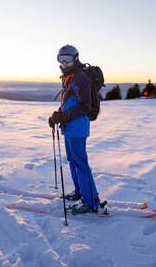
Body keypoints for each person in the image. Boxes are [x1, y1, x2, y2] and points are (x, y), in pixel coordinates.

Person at [48, 44, 100, 214]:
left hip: (78, 126)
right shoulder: (68, 77)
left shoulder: (80, 77)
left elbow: (85, 106)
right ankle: (80, 192)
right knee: (72, 159)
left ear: (75, 58)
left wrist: (63, 117)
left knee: (80, 162)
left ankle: (90, 201)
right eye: (60, 59)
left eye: (68, 59)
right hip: (69, 125)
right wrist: (57, 116)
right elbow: (70, 102)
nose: (64, 62)